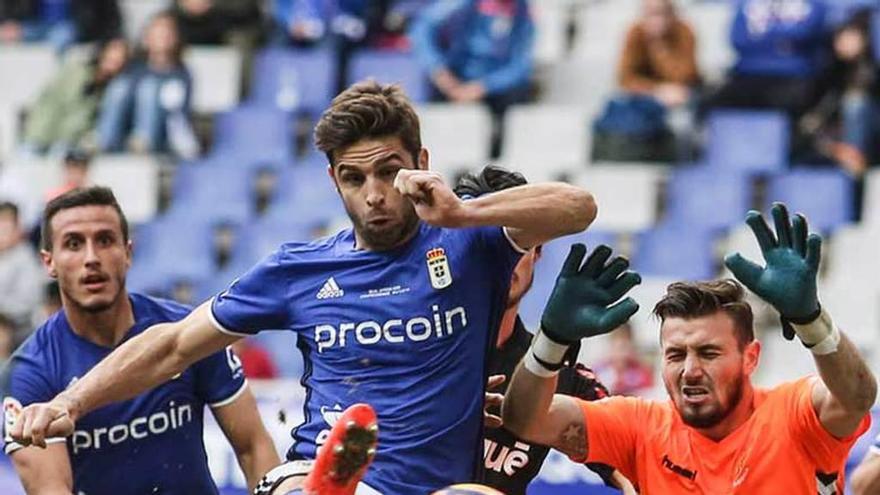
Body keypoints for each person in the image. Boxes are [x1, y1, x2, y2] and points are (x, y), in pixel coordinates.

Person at [9, 81, 597, 494]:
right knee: (300, 486)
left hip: (431, 484)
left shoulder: (470, 243)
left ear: (420, 161)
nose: (374, 194)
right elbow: (172, 345)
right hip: (316, 468)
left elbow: (579, 207)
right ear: (332, 180)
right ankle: (327, 485)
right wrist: (68, 403)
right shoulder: (297, 270)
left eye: (390, 171)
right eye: (354, 177)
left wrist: (464, 214)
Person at [502, 203, 876, 493]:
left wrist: (809, 319)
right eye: (676, 355)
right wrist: (551, 341)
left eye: (709, 353)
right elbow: (526, 421)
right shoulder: (640, 428)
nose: (690, 370)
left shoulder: (793, 414)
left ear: (751, 357)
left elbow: (856, 396)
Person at [2, 186, 280, 494]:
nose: (92, 258)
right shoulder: (29, 371)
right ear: (49, 262)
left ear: (128, 252)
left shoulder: (187, 332)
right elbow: (51, 490)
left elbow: (253, 447)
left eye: (105, 241)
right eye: (73, 244)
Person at [454, 164, 635, 495]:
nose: (501, 258)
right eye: (484, 243)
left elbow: (642, 467)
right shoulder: (407, 352)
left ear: (537, 252)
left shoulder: (560, 378)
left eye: (515, 242)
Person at [410, 0, 535, 157]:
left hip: (495, 91)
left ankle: (495, 159)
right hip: (454, 80)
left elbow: (521, 66)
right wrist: (439, 71)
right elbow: (422, 29)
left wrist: (483, 87)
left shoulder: (523, 12)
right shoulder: (458, 5)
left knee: (518, 94)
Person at [96, 12, 198, 157]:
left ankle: (143, 141)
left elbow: (178, 116)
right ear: (147, 38)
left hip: (162, 136)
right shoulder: (135, 69)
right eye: (157, 32)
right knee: (119, 86)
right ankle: (104, 140)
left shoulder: (180, 74)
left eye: (167, 33)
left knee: (149, 88)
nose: (162, 37)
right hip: (127, 133)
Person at [706, 0, 827, 119]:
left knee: (787, 106)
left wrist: (764, 38)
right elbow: (737, 39)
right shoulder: (750, 4)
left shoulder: (812, 4)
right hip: (748, 73)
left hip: (793, 76)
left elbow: (805, 35)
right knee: (712, 105)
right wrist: (780, 42)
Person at [800, 9, 880, 176]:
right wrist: (836, 149)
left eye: (853, 37)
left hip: (869, 143)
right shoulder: (826, 73)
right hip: (831, 146)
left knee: (855, 104)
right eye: (843, 37)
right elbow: (812, 121)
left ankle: (853, 170)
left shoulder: (871, 70)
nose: (846, 43)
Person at [21, 39, 129, 155]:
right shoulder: (77, 73)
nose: (112, 66)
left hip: (66, 141)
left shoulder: (109, 89)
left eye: (117, 62)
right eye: (110, 60)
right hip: (42, 133)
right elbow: (60, 105)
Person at [0, 0, 122, 52]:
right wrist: (7, 23)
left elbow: (106, 12)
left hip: (68, 26)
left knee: (59, 39)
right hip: (36, 25)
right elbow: (12, 5)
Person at [0, 201, 44, 334]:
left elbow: (27, 302)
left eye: (6, 229)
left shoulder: (26, 258)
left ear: (17, 229)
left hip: (16, 328)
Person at [593, 323, 654, 396]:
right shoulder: (598, 370)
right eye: (617, 347)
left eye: (624, 347)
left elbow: (648, 395)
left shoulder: (643, 371)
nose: (621, 353)